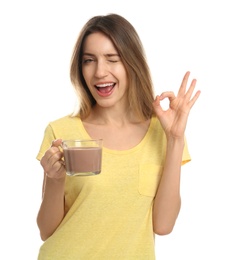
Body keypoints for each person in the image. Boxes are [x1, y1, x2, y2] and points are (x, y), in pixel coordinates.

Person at [36, 13, 201, 260]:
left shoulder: (163, 132)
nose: (100, 72)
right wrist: (55, 178)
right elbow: (46, 230)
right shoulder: (62, 132)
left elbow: (163, 225)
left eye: (112, 59)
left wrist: (175, 138)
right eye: (89, 60)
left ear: (132, 64)